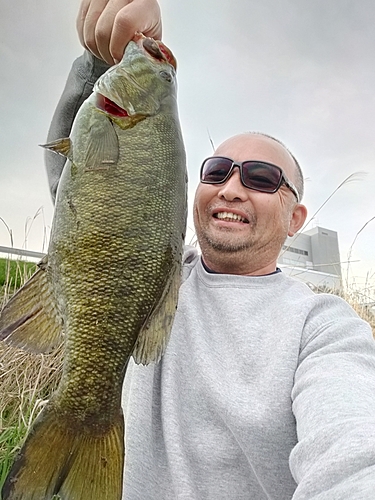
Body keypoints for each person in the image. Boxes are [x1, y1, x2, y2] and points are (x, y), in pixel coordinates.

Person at [45, 1, 375, 498]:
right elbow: (81, 196)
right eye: (216, 171)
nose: (232, 188)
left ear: (295, 219)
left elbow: (353, 450)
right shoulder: (156, 274)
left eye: (262, 178)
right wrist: (103, 60)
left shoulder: (325, 328)